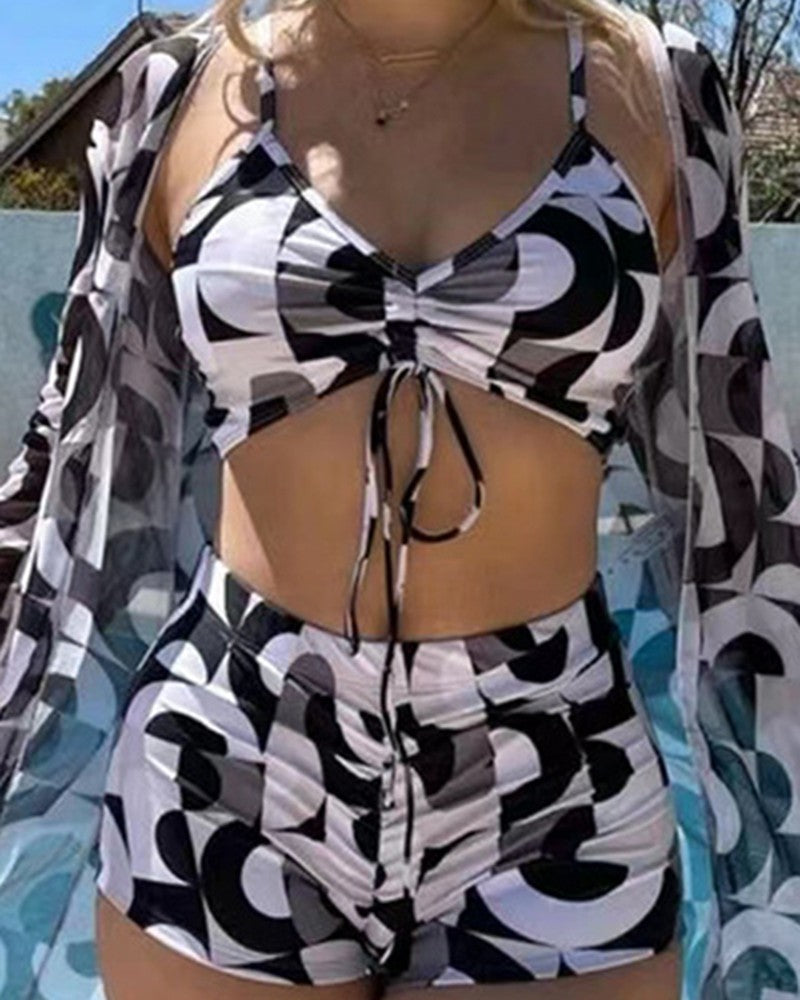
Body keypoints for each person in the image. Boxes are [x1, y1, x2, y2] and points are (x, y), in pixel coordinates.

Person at [0, 0, 795, 998]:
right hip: (231, 746)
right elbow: (68, 447)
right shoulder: (173, 92)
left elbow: (732, 456)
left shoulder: (655, 86)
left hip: (555, 767)